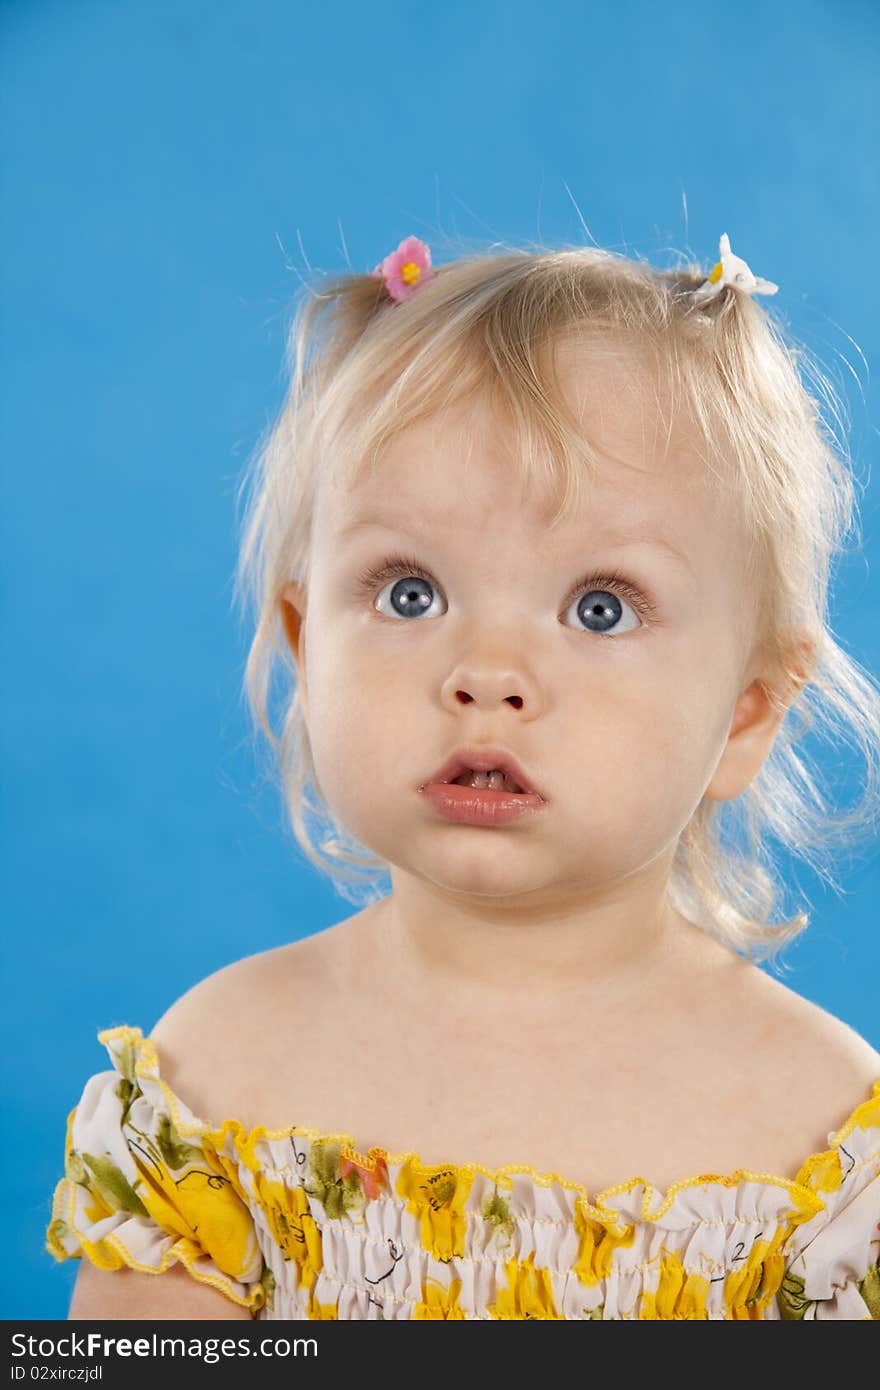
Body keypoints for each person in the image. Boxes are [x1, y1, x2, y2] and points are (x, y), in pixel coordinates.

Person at [46, 233, 880, 1321]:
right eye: (408, 593)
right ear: (305, 647)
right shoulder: (215, 1077)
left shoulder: (823, 1139)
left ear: (746, 711)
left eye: (600, 607)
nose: (486, 674)